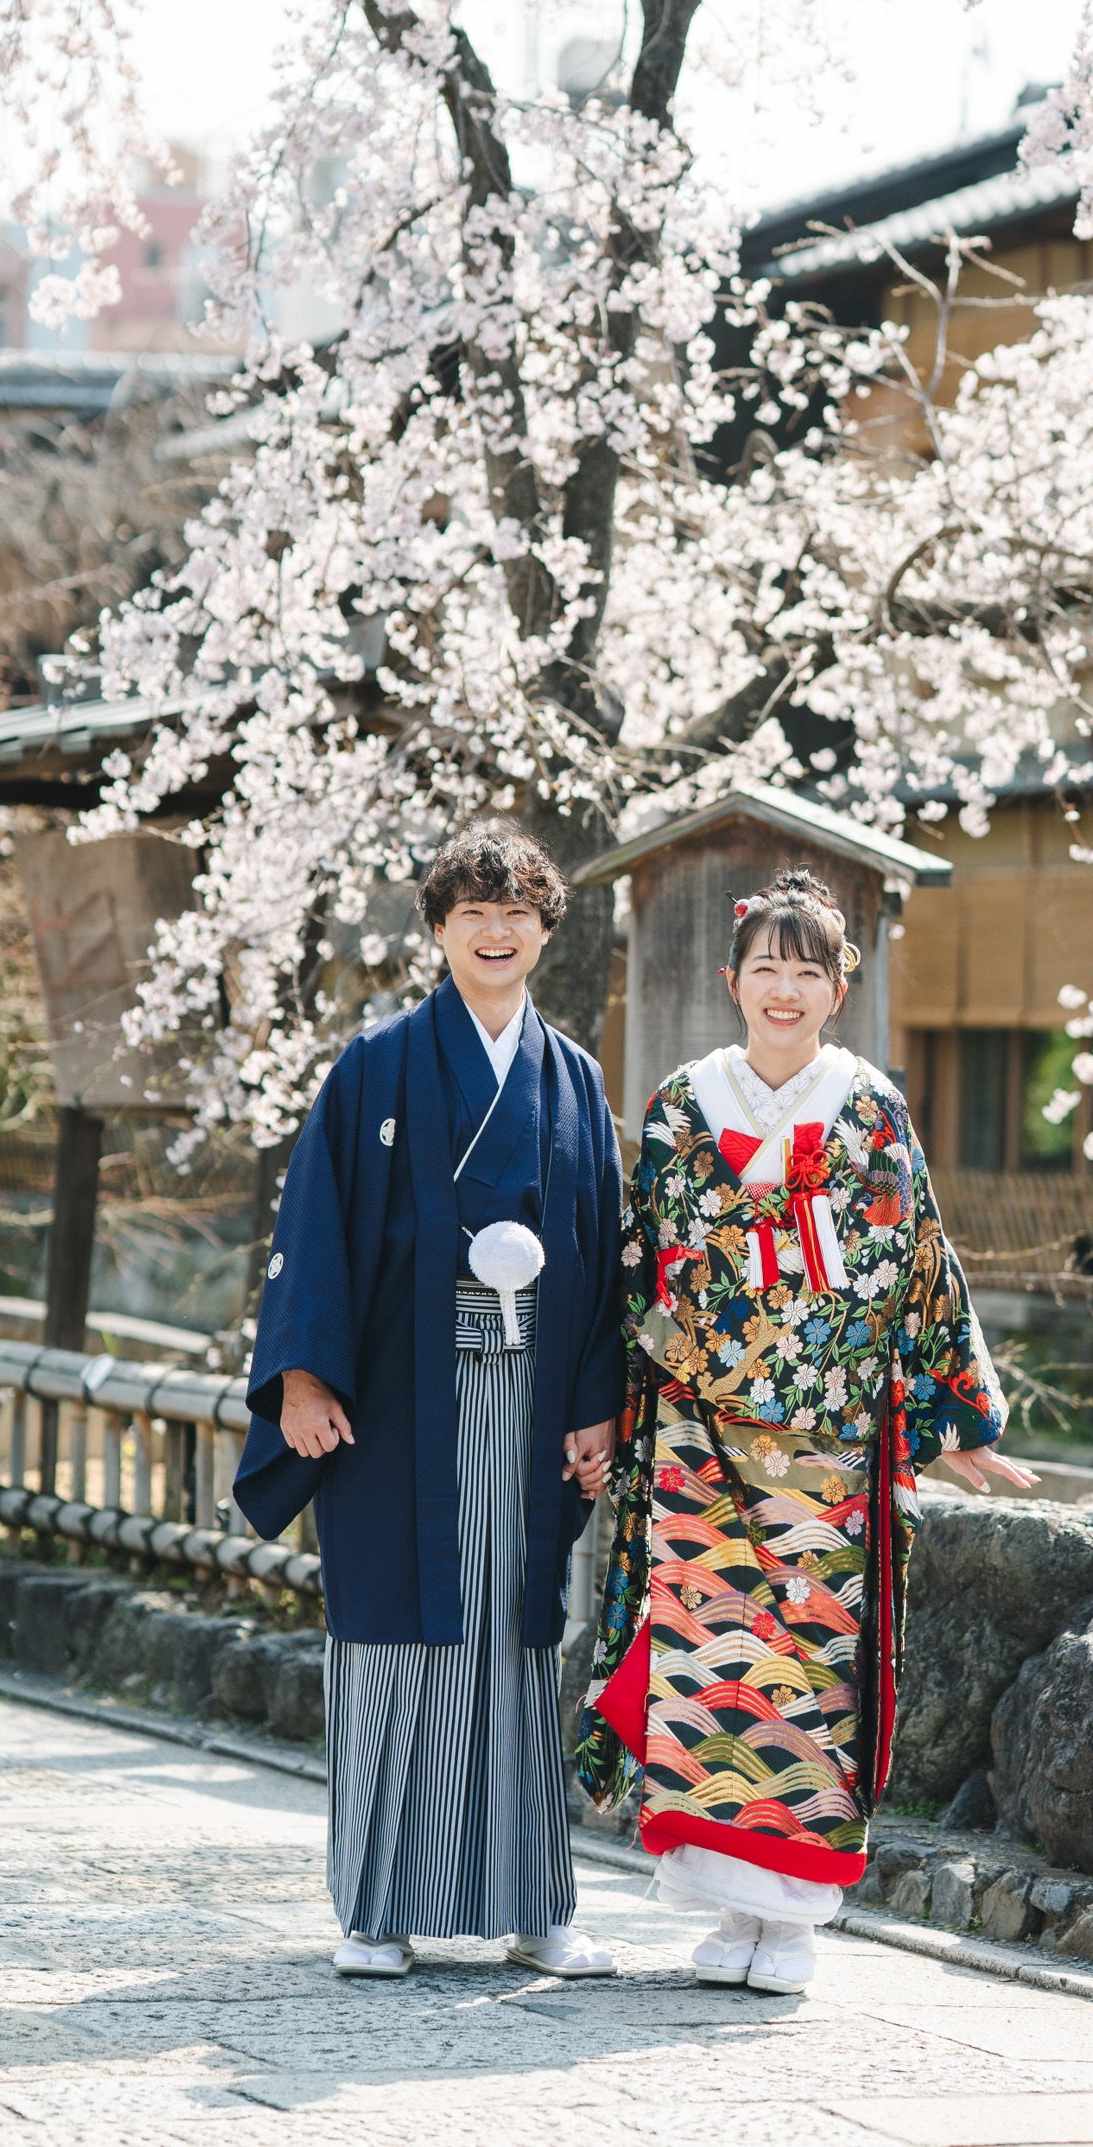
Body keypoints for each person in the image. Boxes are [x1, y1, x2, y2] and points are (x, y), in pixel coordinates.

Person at [577, 865, 1034, 1995]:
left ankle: (787, 1925)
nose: (785, 990)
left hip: (826, 1447)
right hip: (700, 1433)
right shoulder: (685, 1104)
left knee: (805, 1666)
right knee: (706, 1658)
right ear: (732, 982)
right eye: (766, 970)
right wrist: (711, 1355)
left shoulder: (866, 1108)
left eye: (808, 971)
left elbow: (913, 1263)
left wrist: (953, 1411)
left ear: (840, 986)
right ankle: (723, 1909)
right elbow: (645, 1263)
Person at [234, 820, 625, 1981]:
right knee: (393, 1632)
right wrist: (302, 1376)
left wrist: (595, 1401)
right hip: (399, 1398)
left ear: (545, 931)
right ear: (441, 932)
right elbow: (311, 1221)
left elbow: (603, 1257)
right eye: (473, 913)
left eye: (516, 913)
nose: (495, 931)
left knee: (514, 1631)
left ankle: (533, 1905)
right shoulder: (376, 1065)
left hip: (528, 1389)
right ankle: (376, 1909)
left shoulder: (573, 1080)